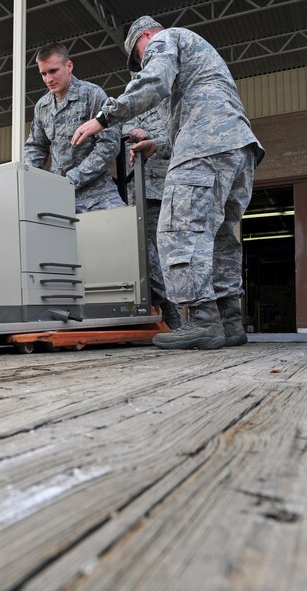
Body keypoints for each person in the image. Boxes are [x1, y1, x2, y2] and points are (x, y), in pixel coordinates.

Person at [71, 16, 265, 350]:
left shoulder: (166, 39)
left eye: (138, 55)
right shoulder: (202, 59)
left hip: (205, 146)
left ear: (145, 35)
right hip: (238, 148)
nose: (139, 63)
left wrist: (104, 118)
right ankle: (230, 321)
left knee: (179, 228)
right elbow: (195, 116)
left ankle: (203, 321)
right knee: (220, 236)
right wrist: (156, 145)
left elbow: (153, 80)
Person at [24, 42, 125, 213]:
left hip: (97, 193)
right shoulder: (42, 106)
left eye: (53, 71)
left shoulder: (92, 94)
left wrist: (74, 177)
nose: (48, 79)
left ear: (69, 66)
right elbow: (36, 147)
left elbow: (109, 144)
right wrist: (25, 174)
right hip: (59, 195)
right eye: (43, 73)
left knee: (122, 231)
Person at [122, 102, 181, 329]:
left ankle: (171, 309)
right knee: (141, 255)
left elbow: (177, 137)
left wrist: (150, 135)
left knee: (163, 254)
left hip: (161, 191)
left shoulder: (169, 104)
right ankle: (159, 306)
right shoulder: (126, 107)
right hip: (133, 192)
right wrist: (130, 133)